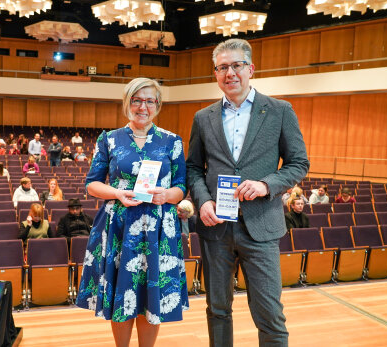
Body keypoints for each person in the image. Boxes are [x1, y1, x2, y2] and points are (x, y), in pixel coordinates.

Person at [186, 38, 309, 346]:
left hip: (261, 227)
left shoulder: (280, 110)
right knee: (217, 309)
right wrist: (202, 202)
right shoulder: (203, 117)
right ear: (216, 73)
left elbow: (298, 164)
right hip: (216, 228)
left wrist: (266, 185)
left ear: (251, 69)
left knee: (269, 313)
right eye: (223, 67)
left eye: (237, 65)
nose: (231, 73)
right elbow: (192, 168)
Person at [76, 77, 188, 347]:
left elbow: (181, 187)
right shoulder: (109, 139)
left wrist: (166, 195)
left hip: (159, 226)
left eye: (150, 101)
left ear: (158, 105)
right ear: (127, 103)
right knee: (122, 289)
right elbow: (92, 184)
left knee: (151, 293)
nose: (143, 107)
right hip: (119, 226)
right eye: (137, 100)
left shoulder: (172, 141)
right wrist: (116, 193)